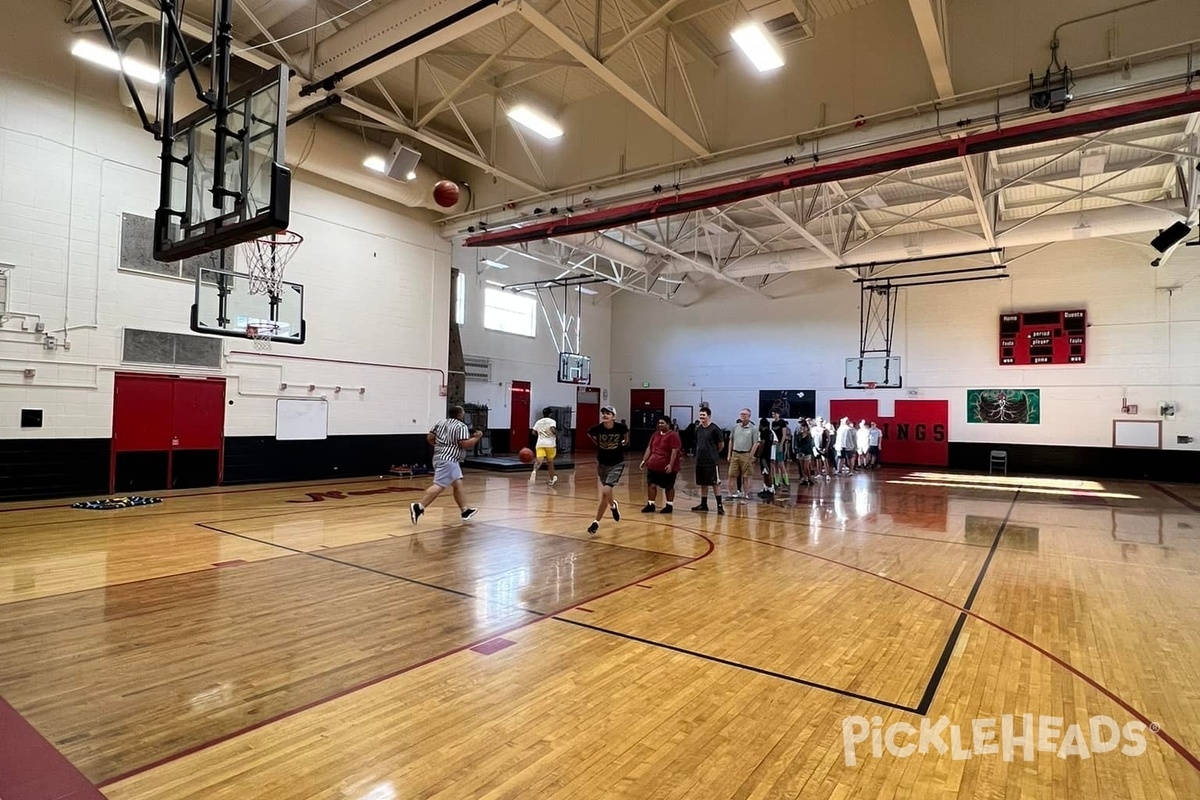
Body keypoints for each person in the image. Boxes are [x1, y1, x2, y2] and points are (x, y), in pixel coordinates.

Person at [410, 405, 482, 525]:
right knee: (439, 485)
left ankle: (465, 510)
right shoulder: (461, 426)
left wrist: (441, 447)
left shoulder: (440, 423)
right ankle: (419, 507)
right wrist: (477, 438)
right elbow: (465, 444)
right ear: (460, 414)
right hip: (449, 459)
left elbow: (430, 438)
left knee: (457, 484)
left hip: (439, 457)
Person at [587, 405, 630, 535]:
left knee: (605, 491)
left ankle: (596, 522)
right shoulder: (597, 429)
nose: (605, 415)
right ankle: (613, 506)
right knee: (607, 493)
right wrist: (597, 443)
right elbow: (589, 433)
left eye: (608, 413)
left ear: (613, 416)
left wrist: (623, 443)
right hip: (602, 463)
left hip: (617, 463)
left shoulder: (621, 428)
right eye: (604, 413)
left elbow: (626, 439)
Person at [640, 415, 682, 513]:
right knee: (652, 485)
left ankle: (669, 506)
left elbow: (675, 450)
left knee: (669, 486)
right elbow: (649, 448)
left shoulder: (673, 435)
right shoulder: (655, 434)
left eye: (662, 423)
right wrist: (644, 460)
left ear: (668, 424)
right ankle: (651, 504)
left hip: (666, 466)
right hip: (653, 465)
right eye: (659, 423)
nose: (660, 425)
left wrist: (671, 465)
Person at [691, 406, 725, 515]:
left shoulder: (715, 429)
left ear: (709, 416)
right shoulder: (698, 429)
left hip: (711, 461)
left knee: (715, 483)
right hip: (700, 460)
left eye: (703, 415)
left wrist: (714, 453)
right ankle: (704, 504)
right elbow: (697, 442)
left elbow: (721, 444)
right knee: (703, 483)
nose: (701, 417)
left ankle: (719, 506)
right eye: (700, 415)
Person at [726, 408, 760, 500]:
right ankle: (730, 494)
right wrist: (729, 454)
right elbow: (731, 440)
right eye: (741, 414)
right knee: (731, 475)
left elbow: (755, 443)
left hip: (746, 454)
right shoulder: (735, 427)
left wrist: (751, 456)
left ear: (749, 416)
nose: (742, 416)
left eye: (745, 414)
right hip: (735, 453)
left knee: (746, 476)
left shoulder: (754, 428)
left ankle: (745, 495)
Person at [530, 407, 559, 485]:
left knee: (539, 459)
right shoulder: (552, 421)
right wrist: (557, 434)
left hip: (540, 444)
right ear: (550, 414)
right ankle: (552, 478)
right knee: (550, 462)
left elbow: (533, 432)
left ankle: (534, 471)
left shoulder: (538, 422)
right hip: (550, 444)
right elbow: (552, 429)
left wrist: (540, 434)